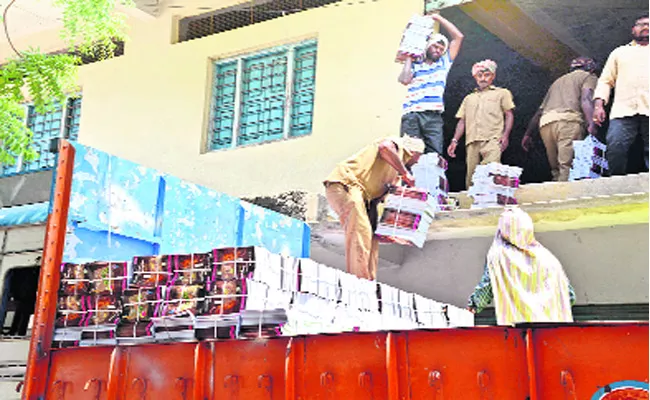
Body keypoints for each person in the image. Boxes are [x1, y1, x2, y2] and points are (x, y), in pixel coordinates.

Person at [323, 136, 425, 280]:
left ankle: (369, 280)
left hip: (367, 199)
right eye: (419, 156)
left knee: (372, 238)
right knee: (360, 232)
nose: (418, 161)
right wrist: (405, 173)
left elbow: (387, 198)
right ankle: (358, 282)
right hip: (347, 185)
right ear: (413, 152)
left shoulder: (393, 172)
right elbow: (385, 147)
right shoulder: (396, 147)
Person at [467, 207, 576, 325]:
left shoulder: (499, 256)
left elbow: (485, 291)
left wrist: (473, 306)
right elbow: (569, 296)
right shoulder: (548, 258)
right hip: (552, 333)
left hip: (517, 334)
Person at [521, 57, 599, 181]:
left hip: (546, 124)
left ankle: (556, 194)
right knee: (567, 166)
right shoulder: (589, 77)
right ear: (591, 68)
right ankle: (566, 197)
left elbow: (540, 111)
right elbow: (586, 99)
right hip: (569, 122)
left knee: (555, 168)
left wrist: (528, 134)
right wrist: (592, 123)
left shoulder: (557, 82)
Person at [398, 13, 464, 155]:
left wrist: (438, 18)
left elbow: (458, 37)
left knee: (434, 156)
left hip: (433, 117)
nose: (438, 50)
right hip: (412, 114)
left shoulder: (444, 63)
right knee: (410, 155)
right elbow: (404, 80)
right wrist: (409, 57)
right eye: (436, 46)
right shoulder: (415, 64)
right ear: (427, 46)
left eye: (441, 49)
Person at [593, 14, 649, 175]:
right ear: (633, 29)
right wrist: (598, 105)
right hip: (623, 109)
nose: (645, 27)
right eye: (640, 24)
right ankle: (616, 183)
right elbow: (605, 80)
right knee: (615, 146)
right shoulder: (619, 52)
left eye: (648, 24)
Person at [447, 60, 515, 189]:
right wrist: (454, 141)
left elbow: (509, 114)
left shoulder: (502, 93)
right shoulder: (468, 98)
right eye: (480, 75)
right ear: (475, 77)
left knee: (491, 172)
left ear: (493, 76)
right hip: (472, 141)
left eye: (487, 75)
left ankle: (492, 203)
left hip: (493, 139)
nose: (483, 78)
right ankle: (472, 205)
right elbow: (462, 121)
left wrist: (505, 135)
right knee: (472, 177)